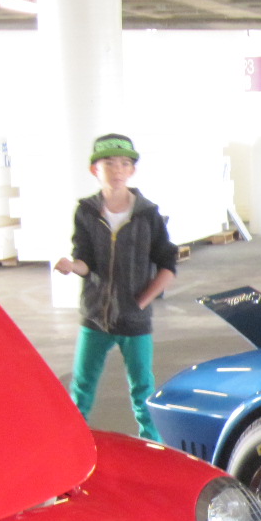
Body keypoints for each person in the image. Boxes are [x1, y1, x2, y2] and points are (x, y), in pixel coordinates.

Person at [54, 133, 178, 441]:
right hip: (96, 315)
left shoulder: (148, 214)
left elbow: (167, 263)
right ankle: (72, 446)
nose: (117, 169)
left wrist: (143, 301)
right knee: (81, 388)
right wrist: (73, 267)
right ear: (95, 169)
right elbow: (85, 260)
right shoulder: (86, 211)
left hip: (134, 320)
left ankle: (153, 448)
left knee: (142, 390)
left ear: (132, 171)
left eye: (124, 163)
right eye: (109, 163)